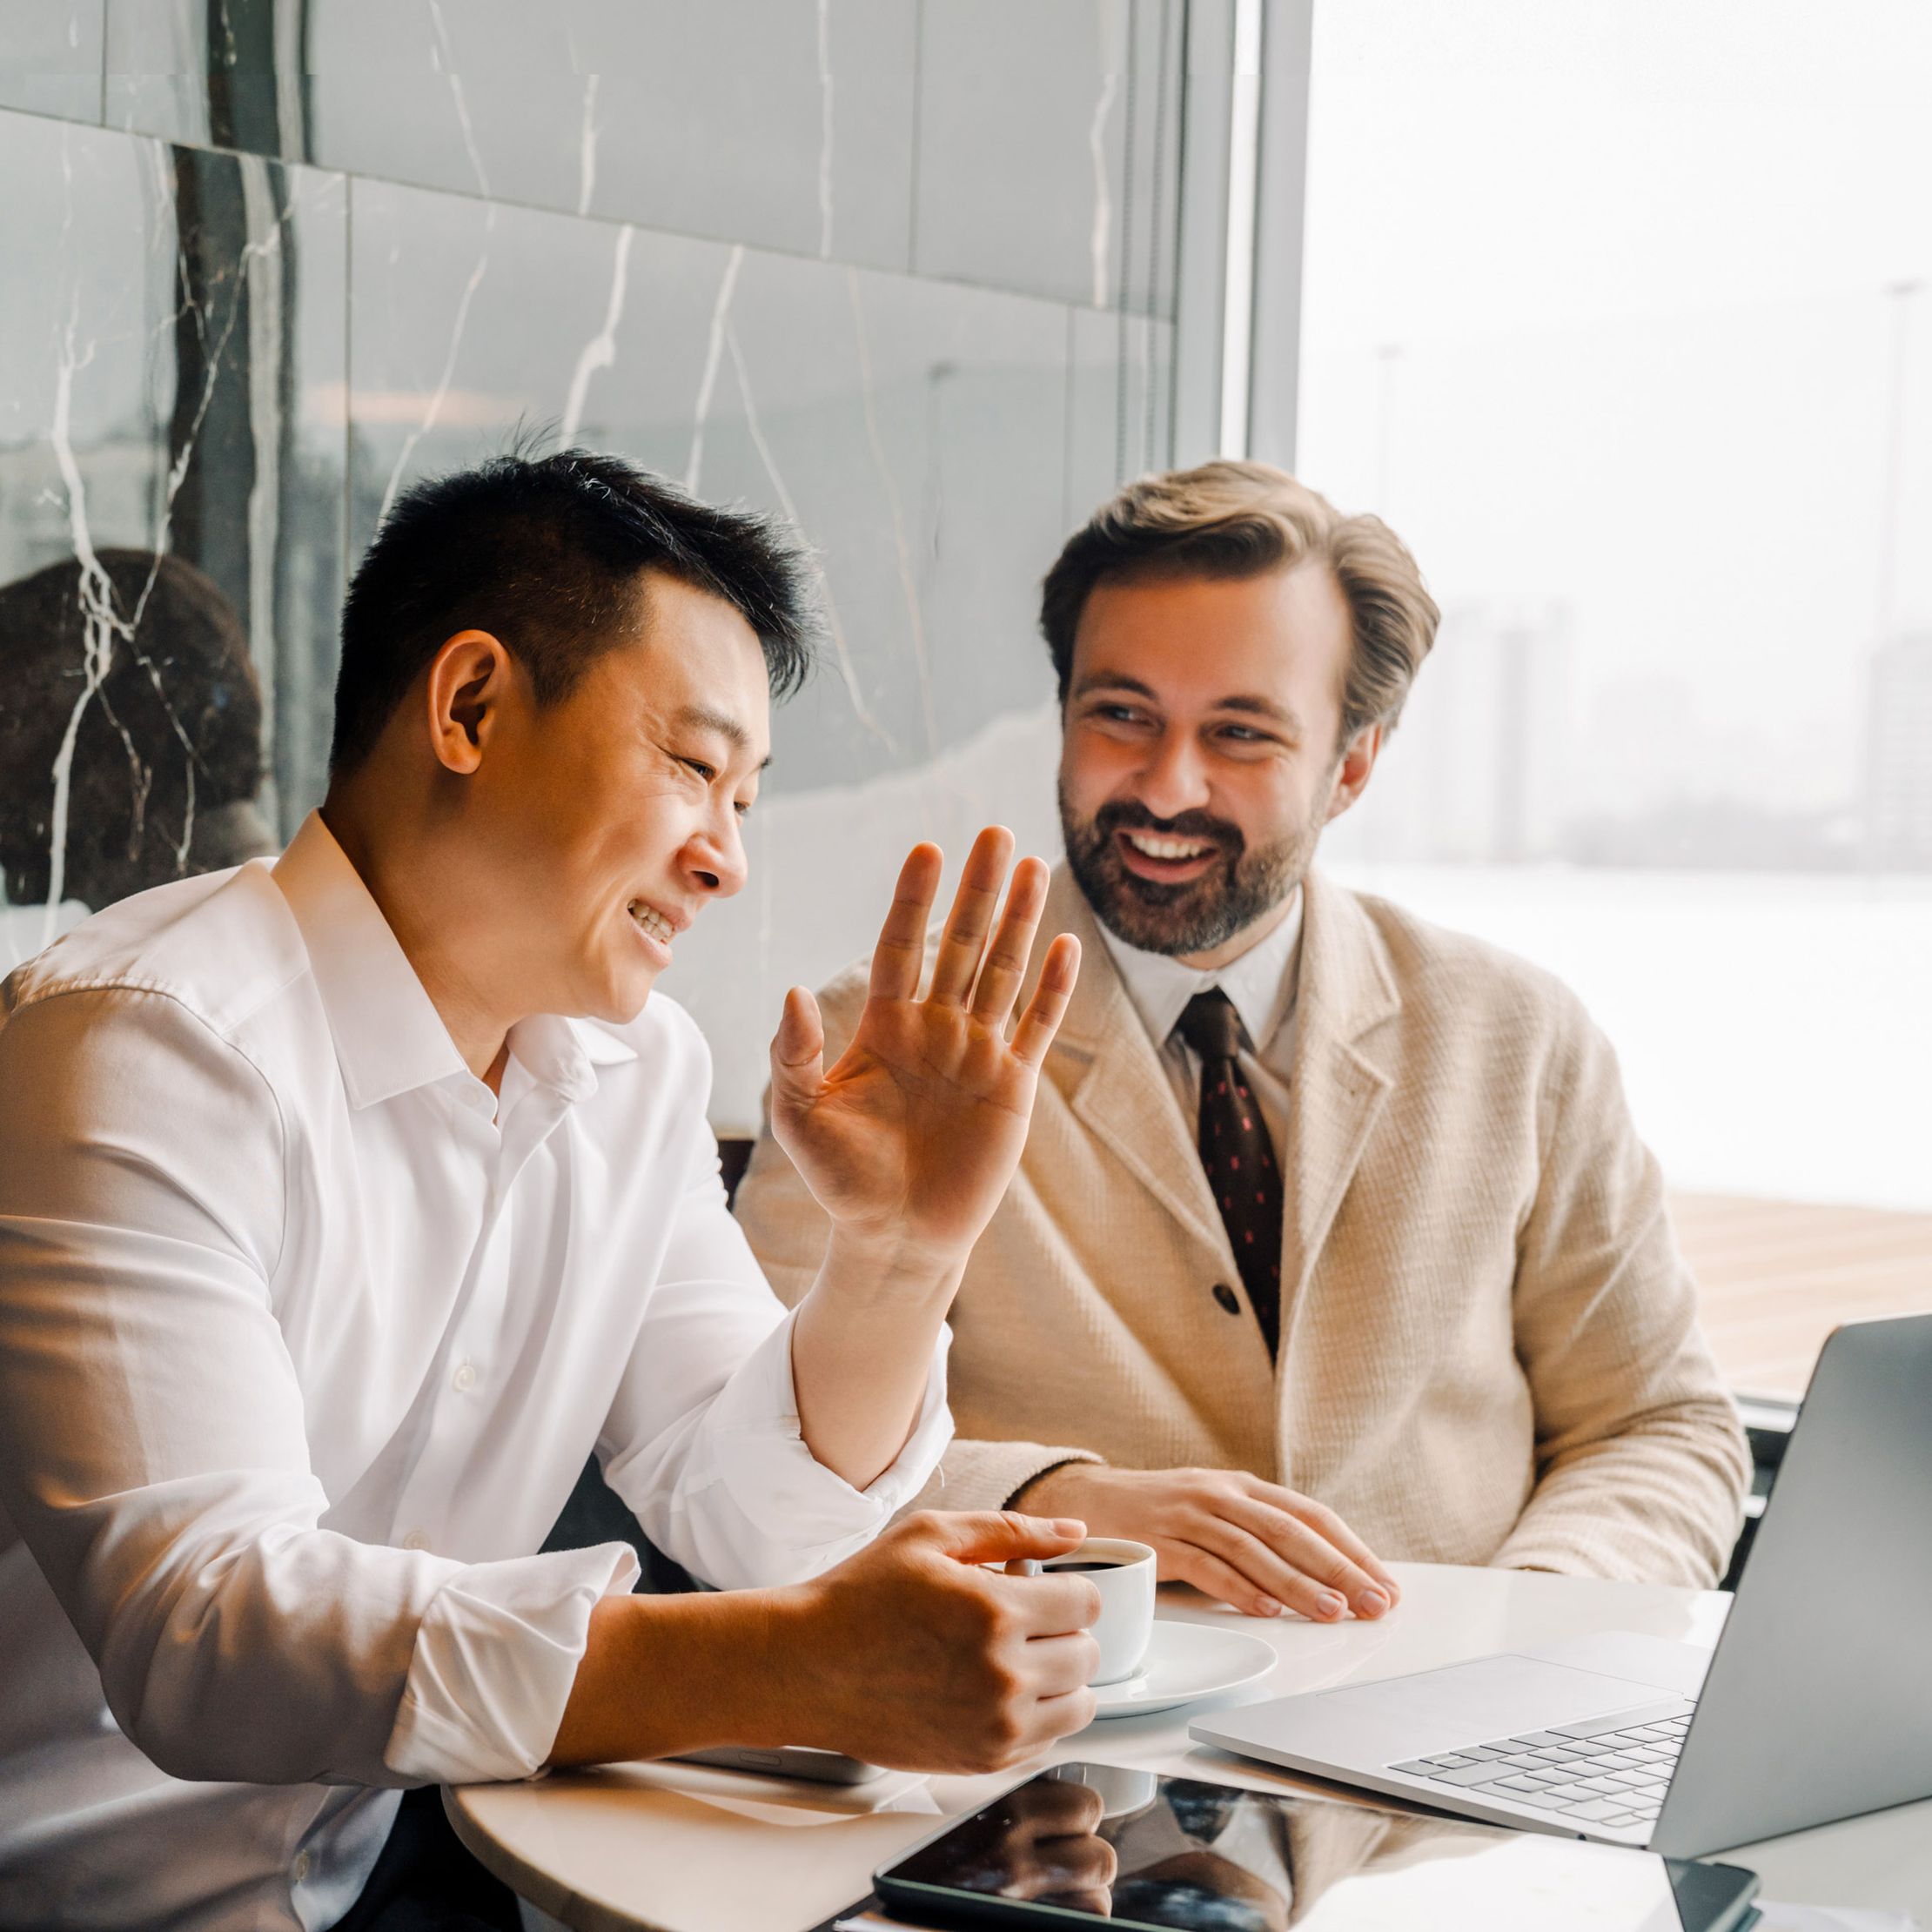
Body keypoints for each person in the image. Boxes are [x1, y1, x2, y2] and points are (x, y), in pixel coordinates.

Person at [0, 451, 1103, 1932]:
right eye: (694, 768)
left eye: (749, 798)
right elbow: (210, 1630)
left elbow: (759, 1516)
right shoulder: (141, 1041)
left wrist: (903, 1255)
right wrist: (786, 1665)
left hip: (387, 1866)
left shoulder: (633, 1070)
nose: (723, 858)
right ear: (468, 707)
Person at [735, 460, 1752, 1621]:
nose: (1167, 788)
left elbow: (1659, 1428)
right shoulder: (886, 1050)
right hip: (1043, 1764)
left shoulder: (1521, 1039)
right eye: (1121, 715)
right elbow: (745, 1462)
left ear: (1353, 766)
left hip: (1428, 1778)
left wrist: (1525, 1621)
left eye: (1241, 734)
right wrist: (1069, 1505)